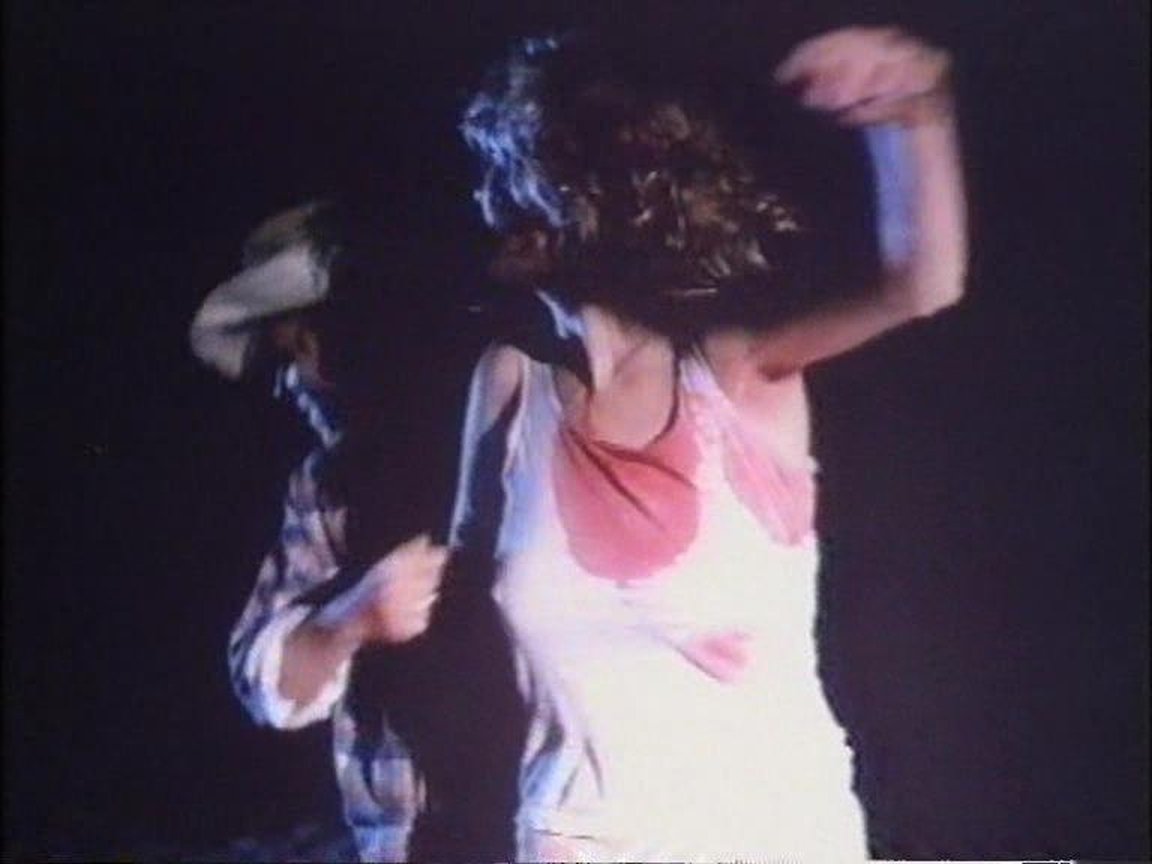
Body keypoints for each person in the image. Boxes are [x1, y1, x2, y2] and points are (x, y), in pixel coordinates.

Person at [444, 26, 966, 861]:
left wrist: (914, 115)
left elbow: (920, 283)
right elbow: (457, 601)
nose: (484, 200)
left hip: (766, 835)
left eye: (508, 176)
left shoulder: (732, 375)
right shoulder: (510, 386)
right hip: (575, 837)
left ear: (580, 203)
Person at [190, 202, 521, 862]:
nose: (291, 383)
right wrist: (351, 617)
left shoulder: (520, 427)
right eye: (283, 358)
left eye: (304, 345)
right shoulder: (329, 484)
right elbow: (265, 681)